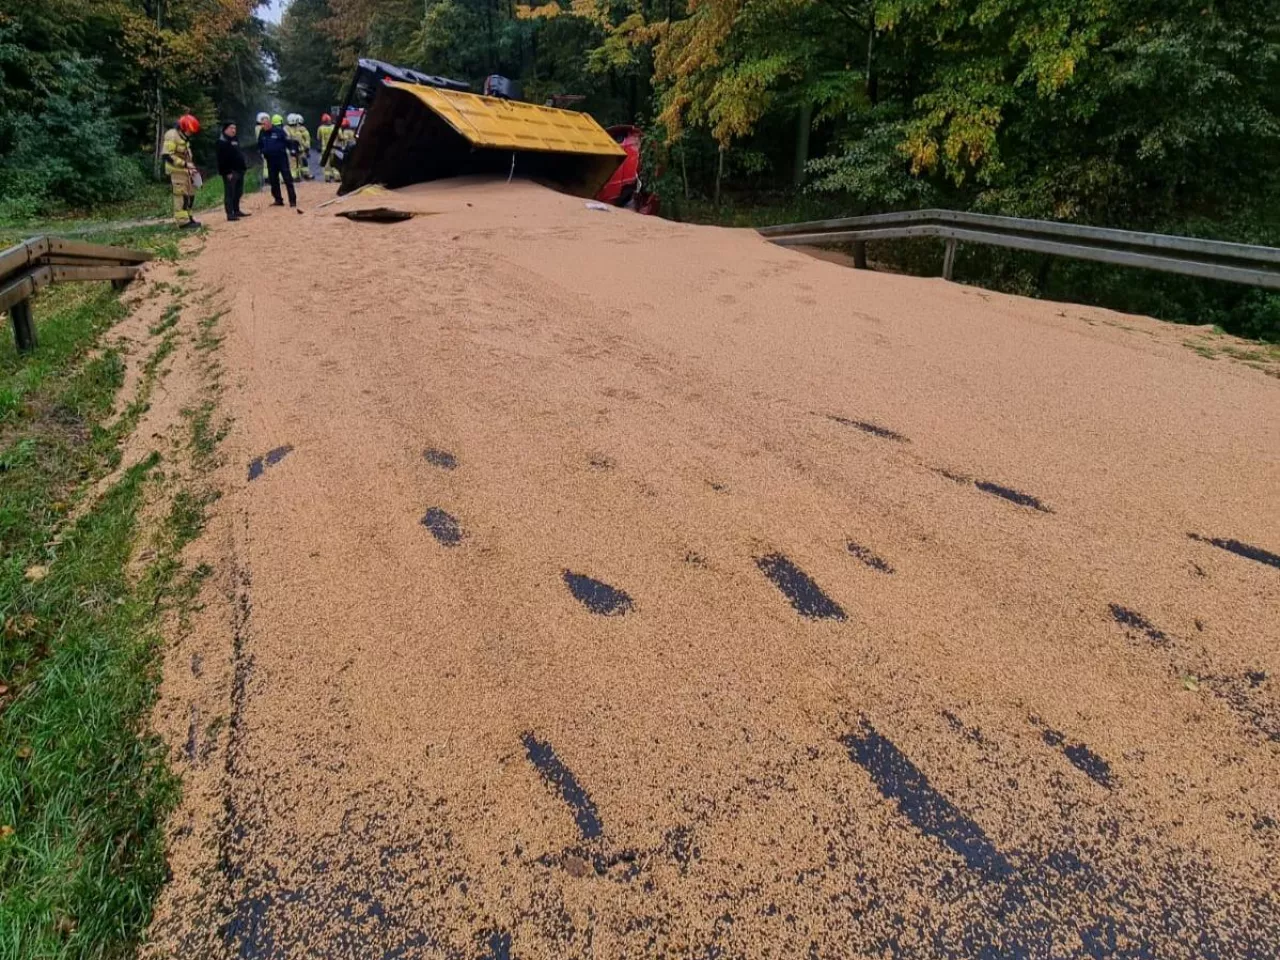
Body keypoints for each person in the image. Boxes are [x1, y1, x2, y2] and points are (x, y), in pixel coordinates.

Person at [161, 113, 202, 229]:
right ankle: (183, 222)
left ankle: (189, 217)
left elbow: (186, 154)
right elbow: (167, 155)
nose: (191, 133)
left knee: (190, 194)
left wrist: (191, 167)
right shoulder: (172, 135)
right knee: (181, 196)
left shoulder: (184, 137)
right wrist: (184, 164)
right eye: (190, 131)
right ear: (183, 128)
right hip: (176, 171)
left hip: (186, 171)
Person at [257, 114, 299, 209]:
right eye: (262, 124)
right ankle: (278, 199)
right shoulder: (262, 133)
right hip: (270, 160)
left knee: (287, 179)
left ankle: (292, 201)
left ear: (269, 123)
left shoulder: (279, 131)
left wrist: (293, 150)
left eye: (265, 124)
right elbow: (259, 144)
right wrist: (261, 151)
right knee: (273, 181)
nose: (263, 126)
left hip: (281, 159)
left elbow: (288, 142)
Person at [215, 121, 251, 221]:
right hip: (230, 172)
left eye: (235, 128)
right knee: (230, 193)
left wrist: (243, 167)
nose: (233, 130)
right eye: (231, 128)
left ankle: (236, 210)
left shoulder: (235, 139)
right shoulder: (221, 142)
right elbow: (221, 159)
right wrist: (227, 172)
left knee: (238, 192)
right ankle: (230, 214)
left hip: (239, 170)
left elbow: (238, 153)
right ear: (225, 129)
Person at [317, 113, 338, 182]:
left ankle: (327, 178)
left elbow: (318, 138)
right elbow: (339, 136)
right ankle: (337, 176)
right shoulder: (334, 127)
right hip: (334, 148)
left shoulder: (320, 128)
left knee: (327, 164)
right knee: (334, 163)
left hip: (325, 149)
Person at [254, 111, 270, 180]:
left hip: (266, 147)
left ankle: (268, 177)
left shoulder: (259, 127)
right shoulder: (258, 128)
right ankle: (267, 178)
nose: (265, 120)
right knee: (266, 163)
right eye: (263, 119)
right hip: (264, 147)